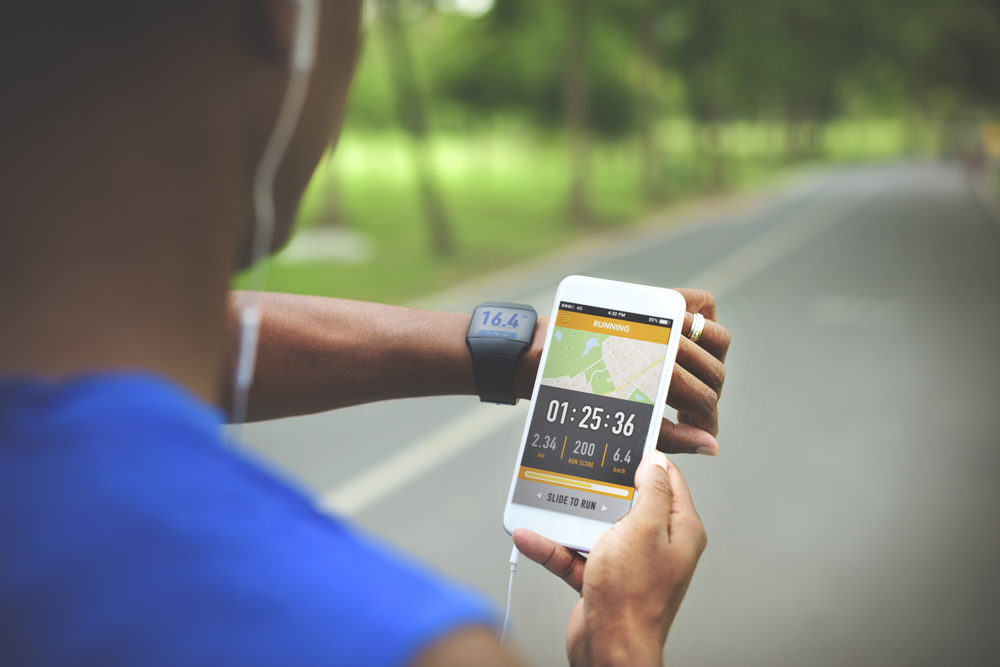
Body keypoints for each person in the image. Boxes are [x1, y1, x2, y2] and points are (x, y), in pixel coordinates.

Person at [0, 2, 730, 665]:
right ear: (288, 21)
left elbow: (149, 337)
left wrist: (521, 351)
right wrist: (624, 634)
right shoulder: (411, 646)